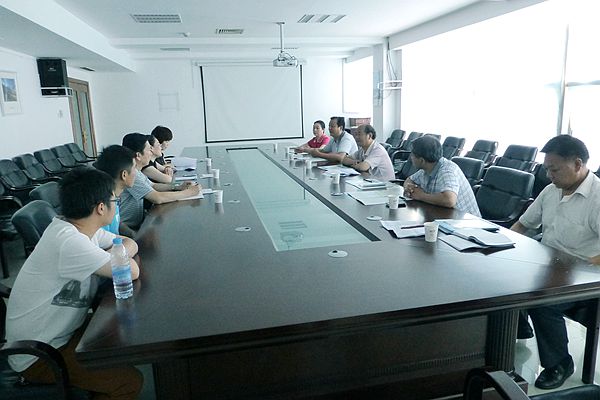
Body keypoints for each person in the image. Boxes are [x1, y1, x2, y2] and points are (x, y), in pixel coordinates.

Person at [5, 167, 143, 399]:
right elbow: (132, 270)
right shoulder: (69, 242)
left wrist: (114, 255)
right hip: (39, 355)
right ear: (101, 208)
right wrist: (117, 256)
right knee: (128, 382)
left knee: (119, 339)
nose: (116, 204)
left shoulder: (83, 229)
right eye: (114, 200)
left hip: (62, 333)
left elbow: (129, 242)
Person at [511, 135, 600, 390]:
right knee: (502, 277)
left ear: (578, 164)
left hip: (586, 275)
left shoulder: (597, 198)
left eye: (554, 169)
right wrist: (502, 243)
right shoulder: (551, 191)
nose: (549, 175)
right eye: (546, 169)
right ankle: (519, 328)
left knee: (543, 300)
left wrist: (581, 267)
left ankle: (559, 363)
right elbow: (524, 224)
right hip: (551, 265)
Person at [120, 132, 201, 230]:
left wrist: (178, 186)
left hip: (139, 223)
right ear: (138, 155)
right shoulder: (132, 174)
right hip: (128, 229)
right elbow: (157, 198)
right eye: (149, 150)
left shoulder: (137, 171)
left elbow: (153, 185)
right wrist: (189, 193)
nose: (151, 153)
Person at [403, 135, 481, 216]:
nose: (411, 157)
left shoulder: (447, 170)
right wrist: (409, 188)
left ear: (422, 160)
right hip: (446, 216)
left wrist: (420, 195)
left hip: (468, 221)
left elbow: (449, 200)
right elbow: (409, 180)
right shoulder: (427, 168)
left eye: (412, 155)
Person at [94, 144, 137, 237]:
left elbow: (117, 222)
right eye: (134, 168)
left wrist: (133, 234)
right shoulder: (102, 207)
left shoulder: (113, 197)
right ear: (124, 175)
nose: (136, 173)